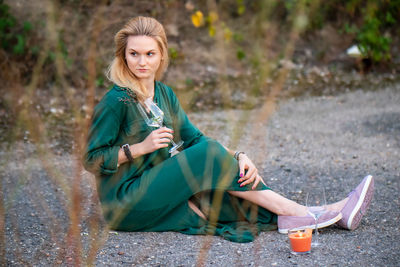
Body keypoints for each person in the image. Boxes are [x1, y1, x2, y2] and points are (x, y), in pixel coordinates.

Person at [83, 16, 374, 242]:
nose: (142, 62)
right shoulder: (117, 100)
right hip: (126, 202)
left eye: (149, 54)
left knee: (227, 198)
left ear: (161, 56)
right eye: (134, 54)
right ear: (124, 56)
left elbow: (195, 140)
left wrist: (238, 156)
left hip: (156, 186)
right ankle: (300, 212)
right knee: (208, 156)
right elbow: (91, 158)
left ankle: (325, 215)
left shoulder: (164, 94)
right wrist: (139, 148)